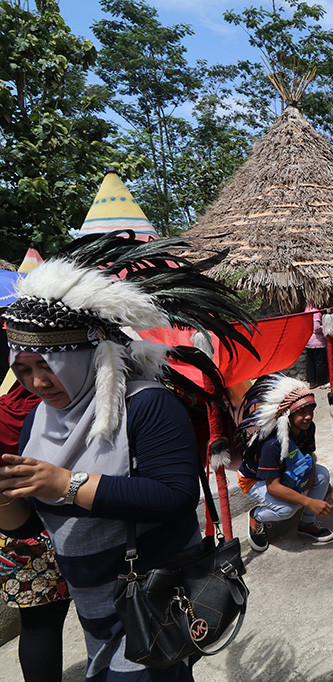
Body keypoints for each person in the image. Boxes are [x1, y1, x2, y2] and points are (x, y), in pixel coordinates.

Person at [0, 232, 254, 681]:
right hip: (95, 603)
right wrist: (7, 498)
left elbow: (173, 495)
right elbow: (37, 526)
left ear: (85, 354)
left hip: (156, 596)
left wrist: (65, 483)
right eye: (23, 369)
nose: (37, 382)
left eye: (48, 365)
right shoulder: (39, 421)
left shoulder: (148, 404)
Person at [1, 382, 71, 682]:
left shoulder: (20, 373)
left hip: (12, 514)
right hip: (74, 500)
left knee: (40, 621)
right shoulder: (60, 368)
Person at [236, 374, 333, 551]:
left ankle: (307, 523)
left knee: (322, 474)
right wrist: (308, 501)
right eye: (302, 412)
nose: (308, 417)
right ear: (288, 414)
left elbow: (308, 455)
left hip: (285, 471)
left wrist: (308, 479)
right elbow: (272, 487)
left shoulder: (308, 427)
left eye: (311, 411)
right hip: (256, 480)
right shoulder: (272, 443)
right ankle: (258, 516)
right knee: (287, 509)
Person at [303, 299, 328, 388]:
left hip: (309, 341)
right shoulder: (316, 313)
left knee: (310, 362)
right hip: (317, 341)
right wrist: (325, 327)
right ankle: (321, 381)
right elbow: (316, 327)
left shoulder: (306, 312)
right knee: (320, 362)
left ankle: (312, 382)